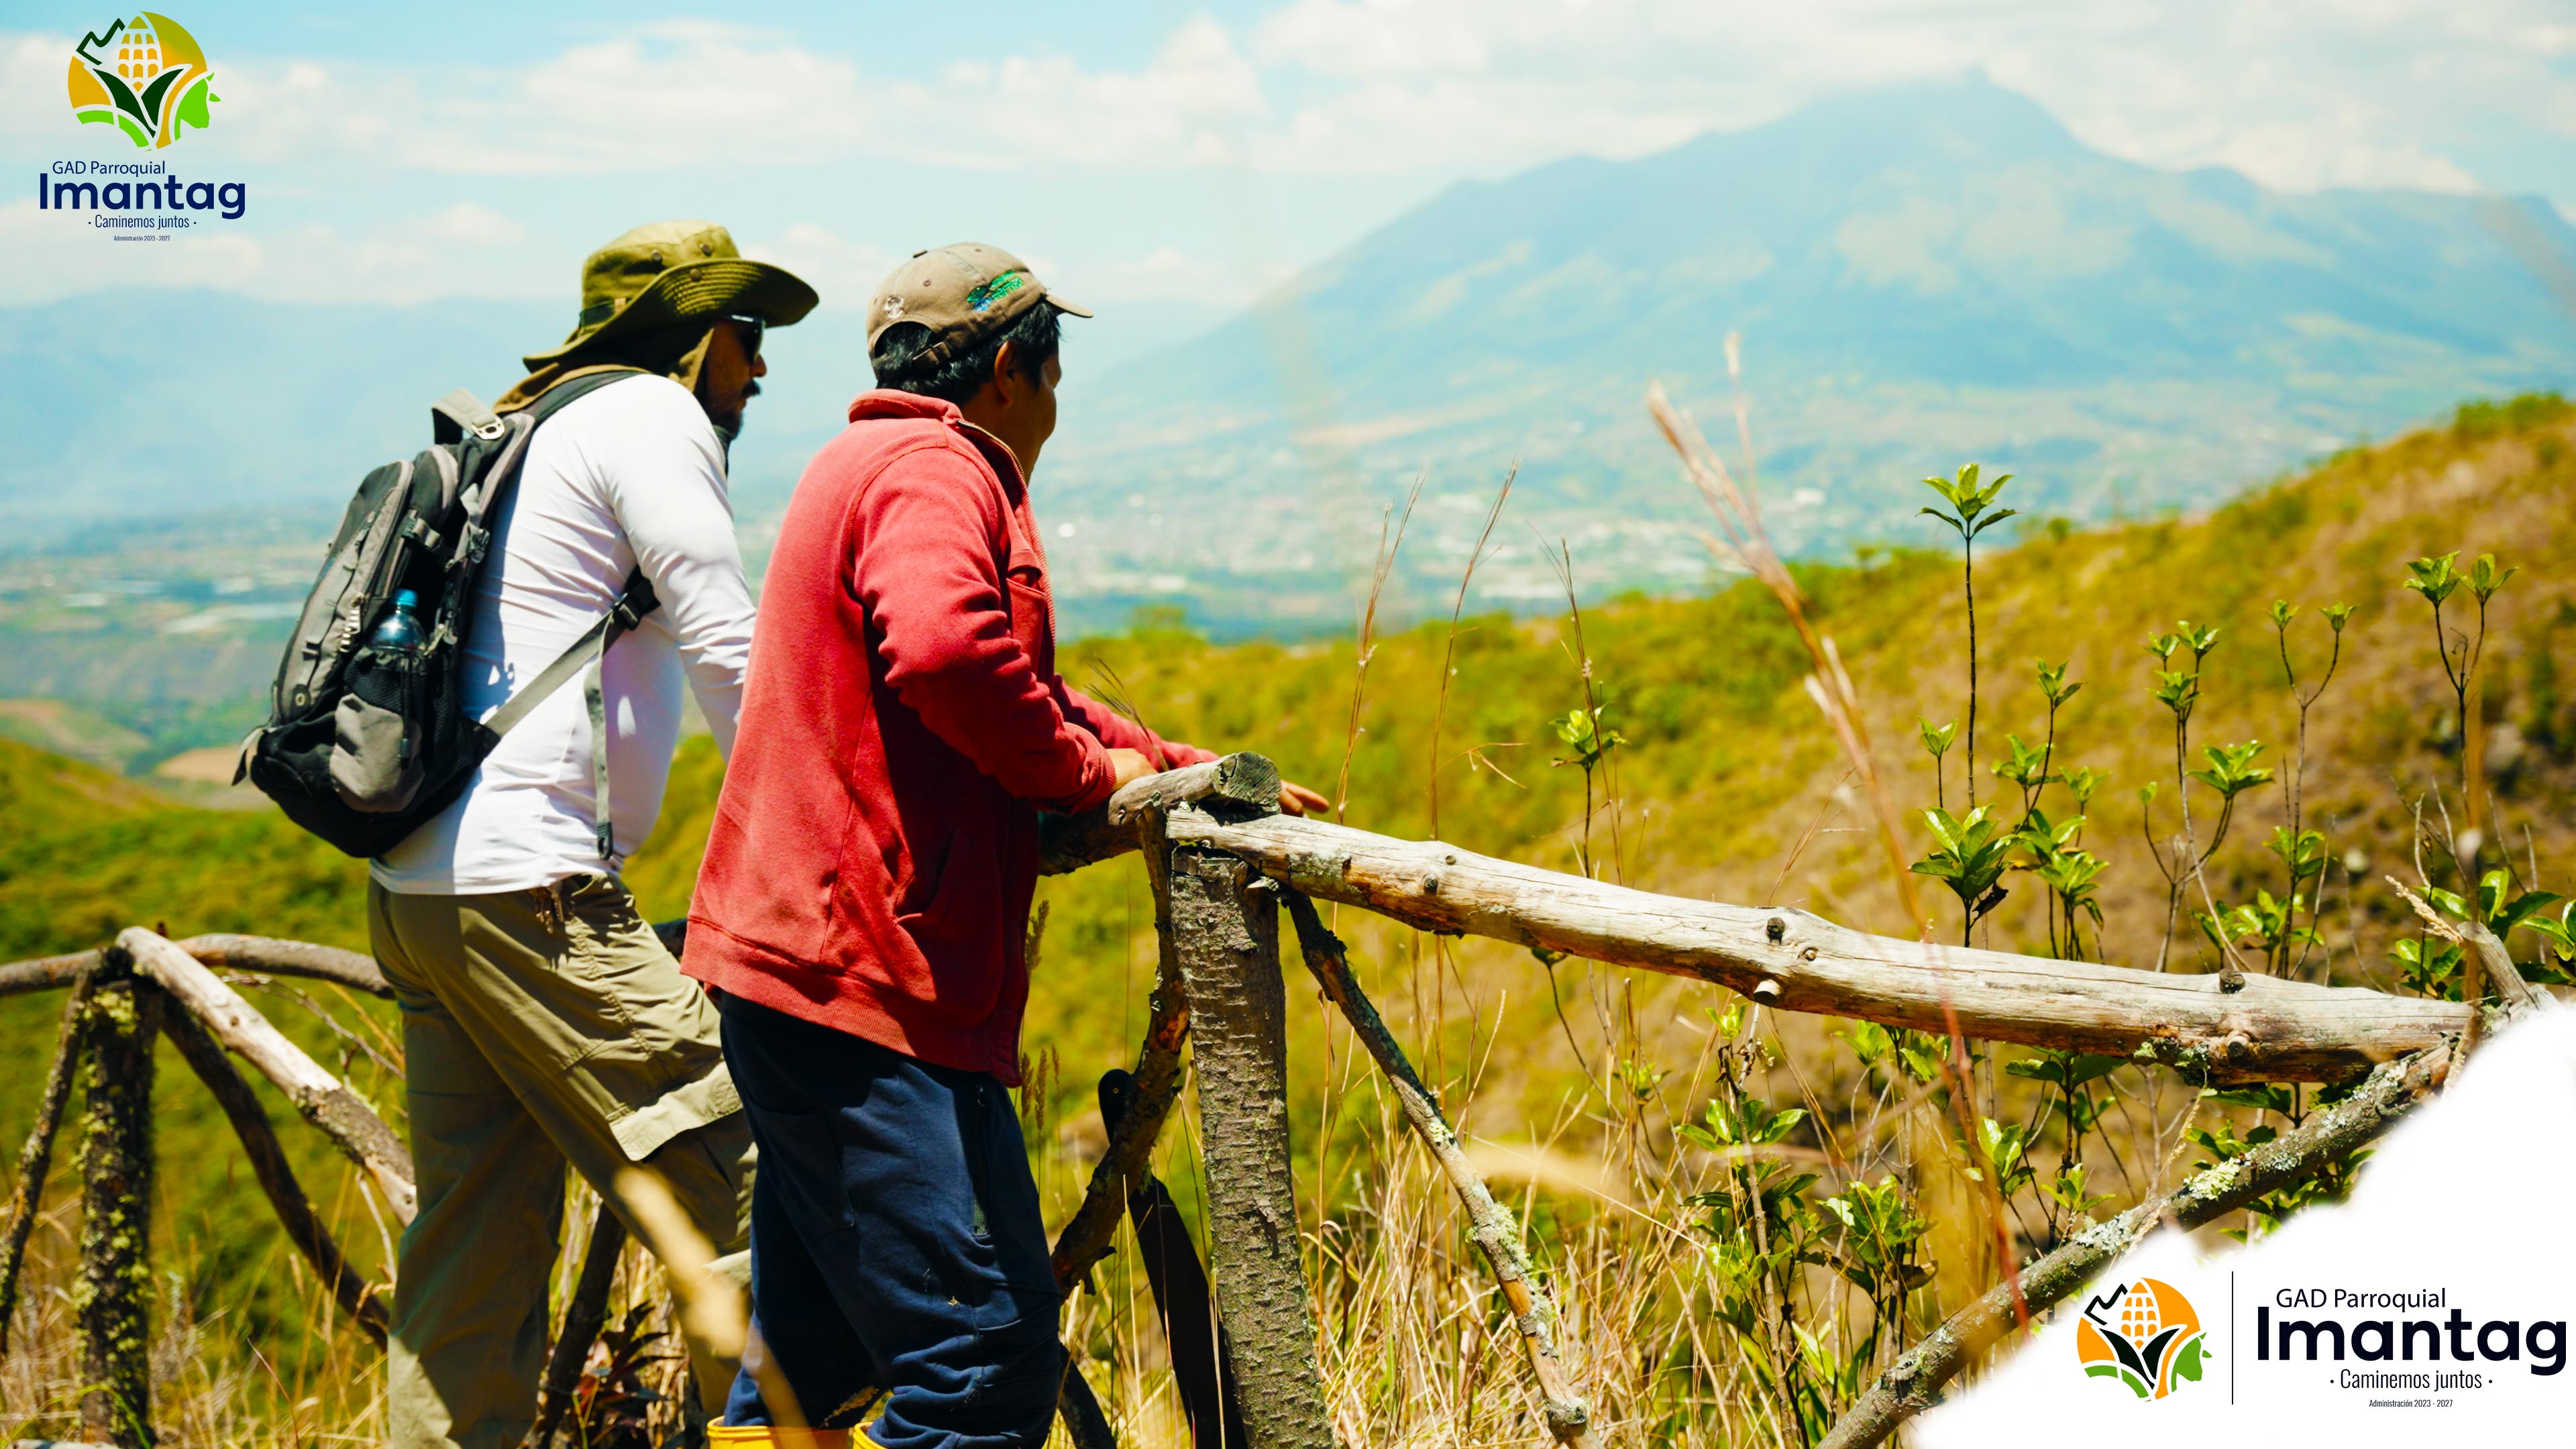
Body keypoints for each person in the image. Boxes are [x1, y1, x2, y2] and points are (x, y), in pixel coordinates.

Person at [684, 243, 1324, 1446]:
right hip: (865, 982)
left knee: (808, 1374)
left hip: (802, 970)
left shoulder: (861, 460)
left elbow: (1014, 680)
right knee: (982, 1366)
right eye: (1053, 374)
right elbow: (946, 652)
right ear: (1011, 374)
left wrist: (1171, 763)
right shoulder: (940, 468)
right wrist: (1081, 775)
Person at [365, 219, 816, 1449]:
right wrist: (823, 841)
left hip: (421, 892)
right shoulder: (653, 416)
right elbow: (729, 647)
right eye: (748, 335)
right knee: (759, 1181)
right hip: (534, 897)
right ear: (696, 337)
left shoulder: (537, 425)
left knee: (470, 1252)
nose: (761, 368)